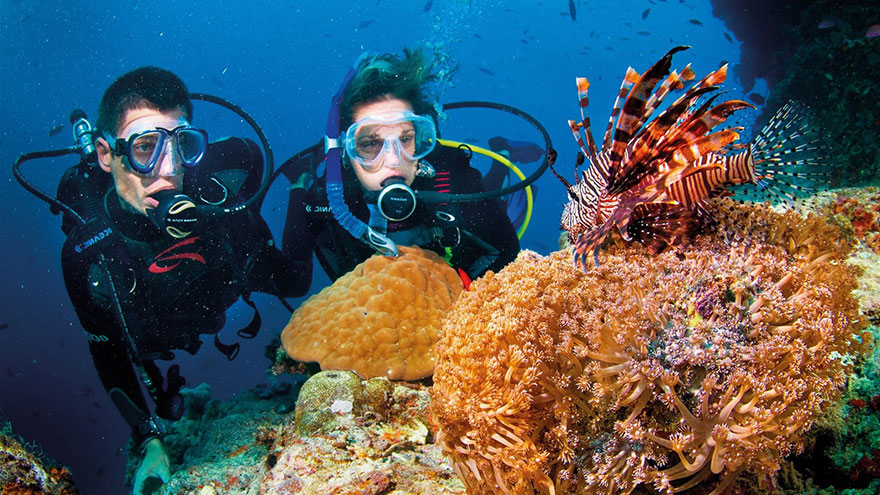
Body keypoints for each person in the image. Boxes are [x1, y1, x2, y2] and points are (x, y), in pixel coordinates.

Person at [56, 67, 309, 494]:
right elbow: (109, 355)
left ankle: (304, 185)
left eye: (181, 144)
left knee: (298, 282)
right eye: (145, 147)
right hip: (159, 325)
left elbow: (251, 155)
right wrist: (149, 438)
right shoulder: (87, 257)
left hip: (226, 276)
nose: (169, 170)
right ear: (106, 154)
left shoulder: (211, 182)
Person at [286, 48, 520, 285]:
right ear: (346, 150)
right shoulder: (326, 205)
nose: (394, 160)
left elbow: (506, 249)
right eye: (370, 143)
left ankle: (503, 152)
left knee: (496, 188)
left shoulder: (452, 181)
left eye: (405, 139)